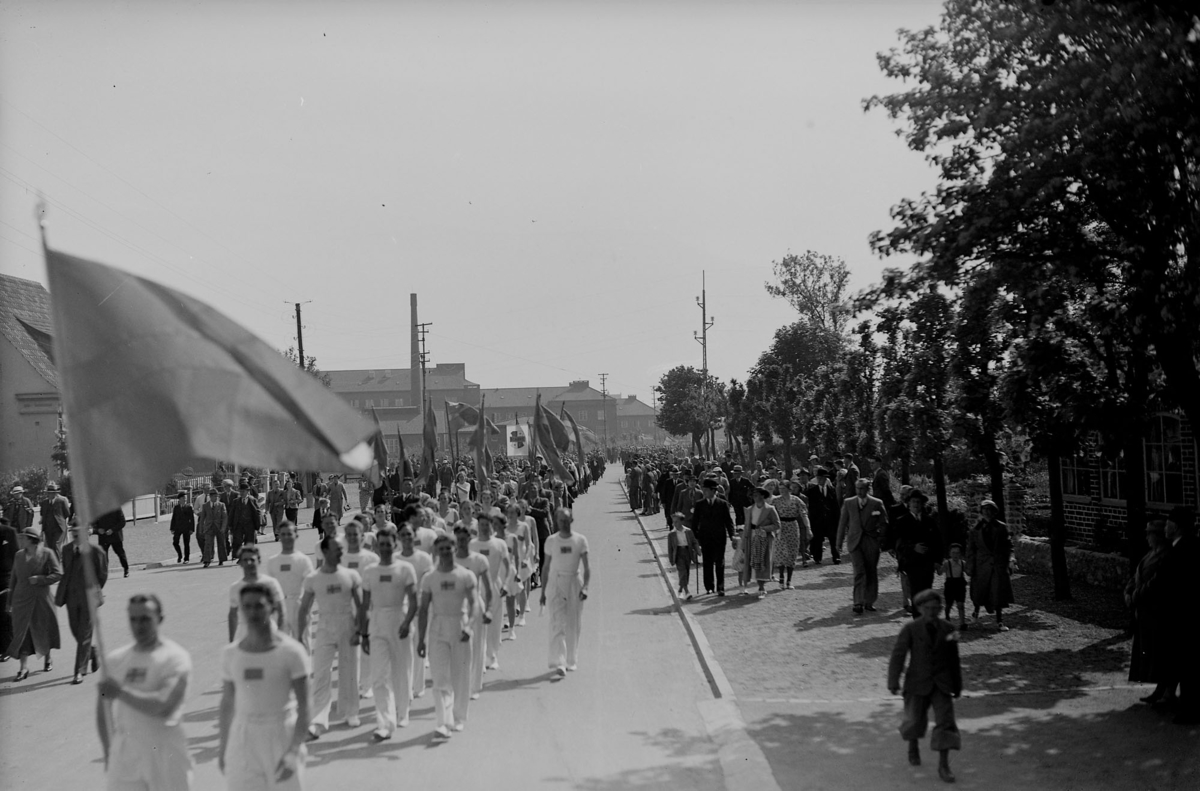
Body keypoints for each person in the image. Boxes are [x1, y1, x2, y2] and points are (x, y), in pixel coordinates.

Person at [219, 583, 311, 790]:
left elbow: (306, 705)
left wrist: (294, 750)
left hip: (281, 735)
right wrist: (224, 747)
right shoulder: (231, 654)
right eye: (247, 606)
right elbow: (227, 703)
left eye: (259, 606)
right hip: (243, 738)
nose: (252, 612)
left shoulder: (292, 652)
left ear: (272, 607)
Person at [98, 594, 193, 790]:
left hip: (165, 750)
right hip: (126, 754)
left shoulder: (175, 658)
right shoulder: (116, 660)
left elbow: (164, 706)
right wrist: (109, 751)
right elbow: (102, 710)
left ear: (160, 619)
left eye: (145, 619)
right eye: (133, 619)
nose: (138, 626)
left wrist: (121, 692)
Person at [888, 588, 962, 783]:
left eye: (936, 608)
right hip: (917, 682)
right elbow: (898, 654)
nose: (932, 612)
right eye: (928, 608)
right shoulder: (910, 629)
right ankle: (912, 745)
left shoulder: (948, 629)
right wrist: (893, 681)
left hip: (942, 684)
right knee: (914, 720)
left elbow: (954, 659)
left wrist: (957, 685)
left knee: (946, 722)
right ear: (920, 608)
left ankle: (944, 765)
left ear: (940, 609)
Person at [297, 535, 365, 737]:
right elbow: (304, 609)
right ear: (325, 551)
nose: (341, 552)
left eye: (341, 549)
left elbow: (361, 606)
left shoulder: (350, 575)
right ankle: (318, 720)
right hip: (325, 626)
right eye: (337, 549)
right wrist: (300, 636)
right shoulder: (313, 578)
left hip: (347, 624)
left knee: (349, 670)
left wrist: (360, 631)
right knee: (321, 673)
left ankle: (351, 712)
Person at [359, 527, 418, 741]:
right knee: (379, 676)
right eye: (381, 544)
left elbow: (414, 601)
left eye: (388, 544)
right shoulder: (369, 571)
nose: (384, 548)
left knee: (401, 672)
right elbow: (365, 605)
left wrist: (407, 622)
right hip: (377, 625)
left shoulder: (405, 569)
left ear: (395, 545)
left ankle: (403, 712)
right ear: (376, 546)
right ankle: (385, 722)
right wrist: (364, 634)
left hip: (399, 622)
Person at [417, 534, 479, 739]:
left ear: (454, 548)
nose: (444, 552)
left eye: (448, 548)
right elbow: (423, 609)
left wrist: (469, 626)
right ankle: (443, 722)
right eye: (441, 549)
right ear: (436, 551)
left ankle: (459, 717)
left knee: (460, 677)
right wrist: (421, 639)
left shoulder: (465, 575)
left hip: (460, 625)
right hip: (438, 628)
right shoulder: (429, 578)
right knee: (440, 678)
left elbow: (474, 604)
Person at [540, 507, 590, 677]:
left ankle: (571, 660)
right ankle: (560, 661)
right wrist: (543, 592)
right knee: (557, 621)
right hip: (556, 583)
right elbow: (546, 567)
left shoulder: (580, 540)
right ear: (556, 521)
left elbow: (587, 567)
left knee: (573, 623)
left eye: (566, 520)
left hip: (574, 582)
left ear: (571, 520)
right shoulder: (551, 541)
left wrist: (585, 587)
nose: (564, 523)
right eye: (561, 520)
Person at [6, 527, 61, 680]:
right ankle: (23, 668)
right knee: (21, 632)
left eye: (23, 538)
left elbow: (58, 573)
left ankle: (48, 658)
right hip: (21, 600)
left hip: (41, 599)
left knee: (44, 628)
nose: (20, 540)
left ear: (32, 540)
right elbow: (13, 579)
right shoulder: (18, 555)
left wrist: (40, 579)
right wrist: (9, 602)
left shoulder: (47, 553)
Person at [56, 523, 108, 684]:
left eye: (78, 531)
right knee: (76, 631)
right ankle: (92, 652)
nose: (75, 534)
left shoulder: (96, 551)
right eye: (73, 531)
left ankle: (79, 670)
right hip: (71, 597)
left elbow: (102, 574)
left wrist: (93, 590)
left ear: (87, 533)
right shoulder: (66, 550)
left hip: (88, 598)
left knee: (84, 634)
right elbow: (67, 571)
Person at [1127, 520, 1169, 704]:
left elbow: (1155, 583)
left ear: (1158, 536)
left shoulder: (1165, 556)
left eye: (1149, 534)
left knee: (1159, 651)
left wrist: (1135, 595)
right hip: (1144, 611)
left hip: (1156, 610)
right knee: (1150, 650)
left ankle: (1164, 690)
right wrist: (1128, 591)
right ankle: (1161, 689)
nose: (1147, 537)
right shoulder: (1150, 554)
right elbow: (1137, 575)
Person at [837, 478, 890, 615]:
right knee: (859, 570)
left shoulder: (876, 503)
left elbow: (884, 522)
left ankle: (869, 601)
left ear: (868, 489)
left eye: (862, 488)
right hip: (855, 541)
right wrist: (838, 543)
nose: (860, 491)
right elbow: (842, 523)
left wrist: (880, 538)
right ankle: (858, 602)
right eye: (858, 488)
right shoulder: (849, 503)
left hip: (871, 541)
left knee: (871, 571)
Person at [454, 524, 493, 699]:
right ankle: (459, 685)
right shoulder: (450, 560)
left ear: (470, 539)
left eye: (464, 539)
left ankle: (474, 687)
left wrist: (489, 610)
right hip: (456, 609)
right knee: (458, 648)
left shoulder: (479, 560)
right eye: (458, 539)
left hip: (476, 606)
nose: (461, 543)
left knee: (477, 648)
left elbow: (488, 588)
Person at [892, 489, 944, 618]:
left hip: (928, 562)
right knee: (915, 591)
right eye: (913, 501)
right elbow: (899, 544)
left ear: (922, 504)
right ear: (908, 504)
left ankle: (927, 620)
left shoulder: (929, 521)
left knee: (927, 590)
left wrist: (938, 561)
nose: (916, 504)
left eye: (918, 502)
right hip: (912, 563)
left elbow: (938, 542)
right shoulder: (902, 521)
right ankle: (917, 621)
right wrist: (913, 548)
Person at [469, 513, 511, 671]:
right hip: (476, 588)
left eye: (487, 525)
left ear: (491, 526)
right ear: (477, 526)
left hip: (494, 586)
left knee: (494, 624)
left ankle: (492, 656)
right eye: (481, 525)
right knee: (477, 625)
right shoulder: (472, 544)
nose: (484, 528)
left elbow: (509, 567)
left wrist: (506, 585)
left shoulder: (499, 544)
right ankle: (479, 659)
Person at [397, 524, 434, 698]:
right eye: (403, 535)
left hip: (419, 606)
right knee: (404, 649)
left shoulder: (424, 558)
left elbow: (428, 583)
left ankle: (418, 686)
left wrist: (422, 604)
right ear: (399, 537)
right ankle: (406, 685)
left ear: (414, 536)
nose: (406, 538)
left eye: (409, 534)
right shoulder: (395, 558)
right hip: (400, 608)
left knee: (419, 643)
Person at [966, 500, 1014, 631]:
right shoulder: (976, 530)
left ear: (994, 512)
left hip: (997, 564)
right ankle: (975, 613)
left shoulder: (1001, 527)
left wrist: (1011, 560)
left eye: (990, 509)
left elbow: (1008, 545)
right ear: (981, 512)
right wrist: (970, 566)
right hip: (981, 565)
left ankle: (999, 621)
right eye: (984, 509)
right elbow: (971, 549)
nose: (987, 512)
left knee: (997, 592)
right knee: (979, 591)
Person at [266, 522, 315, 639]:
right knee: (280, 645)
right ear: (279, 536)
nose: (286, 537)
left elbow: (311, 588)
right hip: (279, 607)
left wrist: (306, 609)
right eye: (283, 534)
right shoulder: (273, 561)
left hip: (299, 605)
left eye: (289, 534)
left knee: (302, 642)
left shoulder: (303, 560)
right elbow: (269, 590)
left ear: (296, 535)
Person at [228, 546, 285, 643]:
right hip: (246, 636)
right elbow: (233, 615)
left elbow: (281, 611)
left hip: (269, 634)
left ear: (259, 561)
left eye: (252, 560)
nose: (249, 563)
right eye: (245, 560)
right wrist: (231, 641)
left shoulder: (270, 583)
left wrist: (280, 635)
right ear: (240, 563)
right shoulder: (235, 588)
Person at [690, 479, 735, 596]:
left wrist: (732, 536)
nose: (704, 492)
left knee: (720, 562)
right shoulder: (700, 504)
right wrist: (694, 539)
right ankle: (709, 587)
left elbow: (728, 521)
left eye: (706, 490)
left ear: (713, 490)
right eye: (703, 489)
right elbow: (694, 523)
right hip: (705, 538)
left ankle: (720, 587)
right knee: (707, 562)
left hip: (719, 537)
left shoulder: (722, 504)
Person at [741, 487, 780, 599]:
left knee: (763, 562)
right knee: (751, 562)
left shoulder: (770, 509)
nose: (755, 497)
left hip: (764, 538)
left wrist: (764, 529)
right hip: (751, 537)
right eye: (753, 495)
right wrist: (743, 542)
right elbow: (747, 526)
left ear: (763, 495)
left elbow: (777, 524)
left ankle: (761, 588)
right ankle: (748, 586)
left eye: (757, 494)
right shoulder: (749, 509)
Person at [773, 478, 809, 587]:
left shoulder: (796, 500)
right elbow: (770, 515)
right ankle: (781, 577)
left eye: (783, 489)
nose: (781, 491)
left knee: (792, 552)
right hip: (780, 527)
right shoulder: (776, 501)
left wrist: (808, 528)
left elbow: (804, 514)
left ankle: (789, 580)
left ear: (789, 489)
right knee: (780, 552)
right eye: (780, 489)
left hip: (793, 526)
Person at [806, 468, 841, 565]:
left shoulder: (831, 490)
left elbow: (836, 506)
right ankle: (817, 557)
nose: (820, 480)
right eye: (818, 478)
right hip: (817, 519)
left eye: (822, 478)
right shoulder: (812, 491)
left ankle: (836, 557)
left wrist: (838, 519)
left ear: (826, 479)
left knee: (833, 538)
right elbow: (810, 507)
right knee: (817, 539)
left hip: (830, 519)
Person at [667, 512, 700, 600]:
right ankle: (687, 592)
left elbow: (694, 541)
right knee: (682, 572)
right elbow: (670, 548)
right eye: (673, 522)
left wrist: (698, 550)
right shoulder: (671, 534)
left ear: (681, 521)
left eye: (676, 522)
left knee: (687, 572)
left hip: (687, 553)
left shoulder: (688, 531)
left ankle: (680, 589)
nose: (674, 524)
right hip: (678, 554)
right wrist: (671, 559)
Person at [95, 508, 130, 578]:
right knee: (103, 556)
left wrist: (112, 530)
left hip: (115, 536)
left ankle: (126, 569)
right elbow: (94, 523)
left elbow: (122, 522)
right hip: (103, 536)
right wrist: (97, 530)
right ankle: (104, 573)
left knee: (120, 553)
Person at [39, 481, 72, 557]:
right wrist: (42, 530)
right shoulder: (44, 503)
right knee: (50, 547)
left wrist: (62, 521)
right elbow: (43, 516)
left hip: (59, 528)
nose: (50, 495)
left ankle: (57, 563)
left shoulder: (62, 501)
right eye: (49, 493)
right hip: (48, 529)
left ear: (56, 493)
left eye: (52, 493)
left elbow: (67, 513)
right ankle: (52, 563)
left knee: (55, 545)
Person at [228, 483, 261, 558]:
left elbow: (257, 512)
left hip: (249, 524)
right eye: (240, 491)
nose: (241, 493)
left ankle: (247, 556)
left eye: (243, 491)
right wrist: (230, 525)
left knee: (249, 541)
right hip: (238, 524)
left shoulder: (252, 500)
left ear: (247, 491)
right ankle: (238, 556)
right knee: (237, 541)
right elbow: (231, 514)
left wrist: (257, 524)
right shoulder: (236, 501)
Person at [199, 489, 229, 568]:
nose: (216, 498)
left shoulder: (221, 505)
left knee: (221, 543)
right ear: (210, 497)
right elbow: (202, 518)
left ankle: (222, 559)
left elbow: (225, 517)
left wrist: (223, 527)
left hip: (219, 527)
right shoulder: (205, 506)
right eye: (214, 496)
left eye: (217, 496)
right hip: (209, 527)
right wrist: (201, 529)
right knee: (208, 544)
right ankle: (207, 560)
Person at [0, 516, 17, 659]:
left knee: (5, 614)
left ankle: (7, 648)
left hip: (5, 577)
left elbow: (16, 554)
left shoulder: (8, 532)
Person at [943, 544, 968, 630]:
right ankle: (947, 617)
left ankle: (962, 623)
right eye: (953, 553)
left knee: (961, 604)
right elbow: (940, 572)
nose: (955, 555)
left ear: (960, 554)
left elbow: (968, 572)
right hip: (950, 585)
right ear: (950, 554)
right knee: (948, 604)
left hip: (960, 585)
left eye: (957, 553)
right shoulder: (947, 563)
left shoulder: (963, 563)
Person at [170, 492, 196, 564]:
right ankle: (180, 555)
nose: (185, 499)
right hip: (177, 528)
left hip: (186, 528)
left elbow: (192, 519)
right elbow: (173, 518)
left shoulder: (189, 507)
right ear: (179, 499)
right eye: (183, 498)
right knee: (175, 542)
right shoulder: (176, 508)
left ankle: (186, 558)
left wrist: (191, 529)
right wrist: (172, 528)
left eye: (185, 498)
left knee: (186, 544)